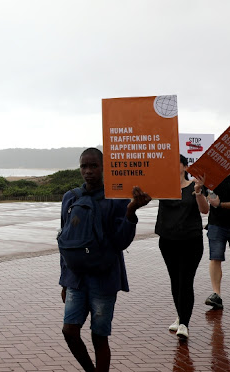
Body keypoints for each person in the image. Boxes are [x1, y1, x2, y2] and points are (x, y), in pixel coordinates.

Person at [59, 148, 151, 372]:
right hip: (76, 278)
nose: (88, 171)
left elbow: (121, 242)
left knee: (99, 336)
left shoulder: (116, 198)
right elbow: (64, 239)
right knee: (69, 331)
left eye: (93, 166)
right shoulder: (70, 198)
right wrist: (63, 280)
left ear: (104, 167)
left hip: (104, 276)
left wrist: (130, 212)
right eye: (84, 166)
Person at [155, 154, 208, 341]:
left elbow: (205, 210)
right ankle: (181, 315)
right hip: (168, 240)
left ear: (185, 167)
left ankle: (184, 323)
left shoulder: (195, 186)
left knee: (185, 281)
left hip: (190, 240)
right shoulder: (162, 186)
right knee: (175, 280)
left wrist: (199, 191)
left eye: (175, 162)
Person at [193, 165, 230, 309]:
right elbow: (209, 203)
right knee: (215, 256)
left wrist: (221, 204)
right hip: (216, 224)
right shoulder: (211, 178)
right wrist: (200, 191)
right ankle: (216, 294)